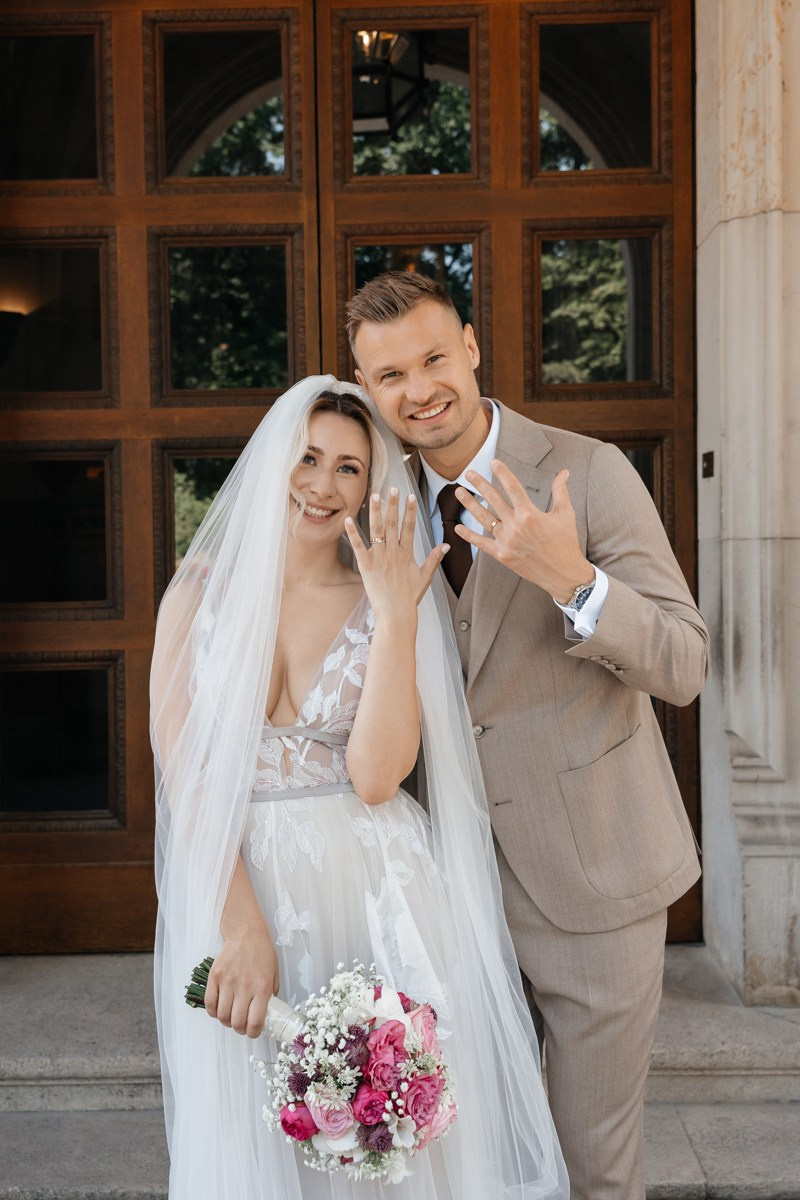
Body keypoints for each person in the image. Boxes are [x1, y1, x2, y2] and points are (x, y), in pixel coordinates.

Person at [151, 377, 569, 1199]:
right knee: (255, 1130)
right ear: (274, 463)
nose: (323, 484)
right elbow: (185, 777)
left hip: (378, 889)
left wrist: (397, 616)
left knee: (388, 1143)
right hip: (234, 886)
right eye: (307, 458)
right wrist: (242, 928)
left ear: (370, 484)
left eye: (349, 467)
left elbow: (378, 778)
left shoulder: (381, 601)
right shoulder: (195, 597)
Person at [346, 271, 709, 1200]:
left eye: (432, 358)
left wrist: (574, 579)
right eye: (389, 375)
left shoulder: (588, 471)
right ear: (365, 385)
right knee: (480, 1167)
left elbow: (682, 664)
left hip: (597, 878)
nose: (418, 389)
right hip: (445, 895)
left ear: (470, 346)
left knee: (596, 1169)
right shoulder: (373, 503)